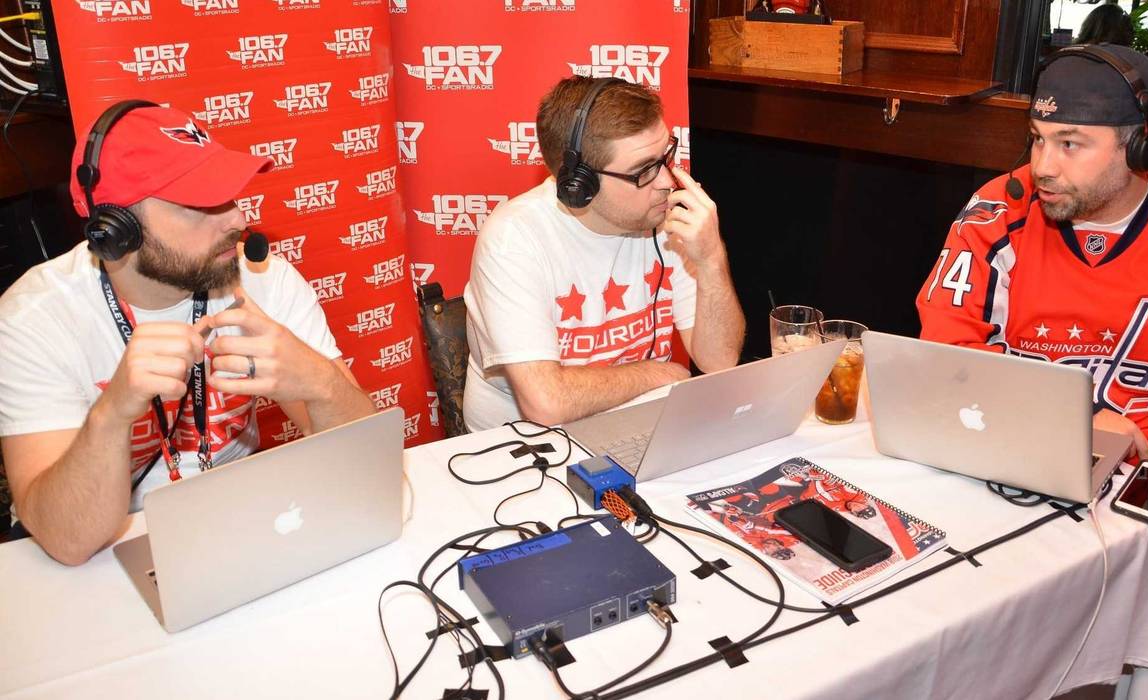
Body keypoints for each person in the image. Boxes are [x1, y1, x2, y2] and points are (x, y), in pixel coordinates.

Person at [916, 44, 1148, 698]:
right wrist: (1083, 415)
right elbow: (947, 354)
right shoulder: (996, 209)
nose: (1042, 166)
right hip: (1017, 456)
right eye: (1037, 138)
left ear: (1141, 146)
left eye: (1070, 144)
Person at [0, 103, 376, 566]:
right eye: (201, 204)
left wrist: (321, 381)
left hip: (241, 520)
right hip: (105, 547)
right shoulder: (33, 318)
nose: (237, 219)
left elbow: (367, 464)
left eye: (229, 195)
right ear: (116, 231)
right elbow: (69, 542)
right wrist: (113, 413)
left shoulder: (263, 279)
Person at [463, 77, 745, 431]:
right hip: (526, 444)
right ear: (580, 185)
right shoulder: (514, 239)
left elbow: (719, 361)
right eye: (643, 171)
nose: (666, 182)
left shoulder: (669, 219)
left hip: (635, 423)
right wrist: (657, 374)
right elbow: (546, 404)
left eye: (666, 157)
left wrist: (712, 258)